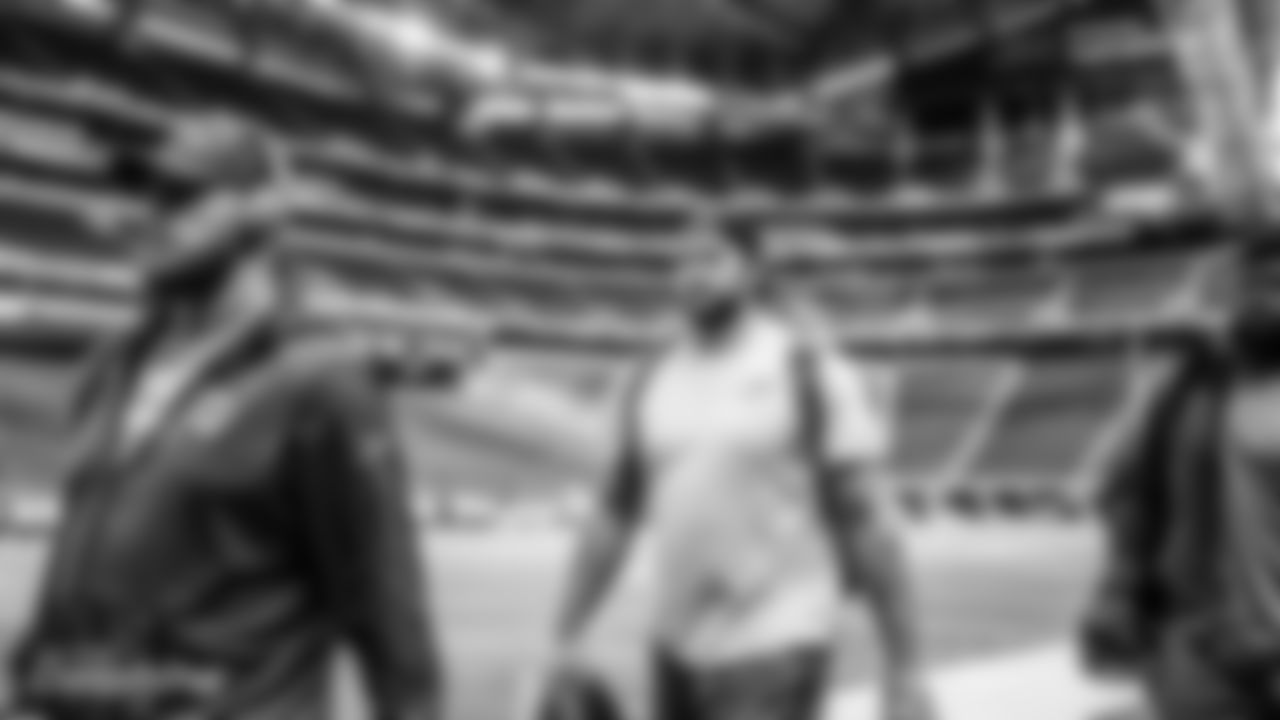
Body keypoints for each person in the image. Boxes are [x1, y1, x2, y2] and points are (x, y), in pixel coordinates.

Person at [7, 117, 444, 720]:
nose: (149, 216)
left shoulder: (321, 385)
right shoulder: (110, 366)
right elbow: (74, 576)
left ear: (263, 214)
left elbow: (389, 617)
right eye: (143, 194)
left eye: (179, 196)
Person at [541, 223, 935, 720]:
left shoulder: (807, 371)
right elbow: (613, 516)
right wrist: (565, 633)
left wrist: (906, 666)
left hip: (779, 643)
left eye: (710, 259)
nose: (693, 274)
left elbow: (869, 521)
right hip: (676, 651)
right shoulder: (651, 379)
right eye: (682, 261)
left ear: (754, 270)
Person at [1083, 275, 1280, 719]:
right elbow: (1127, 495)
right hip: (1199, 649)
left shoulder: (1186, 389)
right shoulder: (1184, 390)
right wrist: (1120, 592)